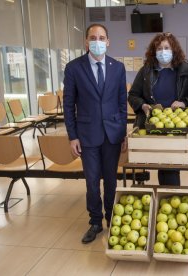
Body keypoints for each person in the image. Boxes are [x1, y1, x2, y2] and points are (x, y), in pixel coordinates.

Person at [63, 23, 127, 244]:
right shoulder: (73, 68)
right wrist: (72, 136)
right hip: (87, 135)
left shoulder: (118, 68)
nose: (97, 41)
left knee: (110, 181)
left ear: (108, 41)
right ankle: (95, 222)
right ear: (86, 42)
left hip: (112, 134)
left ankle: (111, 217)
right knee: (92, 182)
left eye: (101, 38)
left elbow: (121, 103)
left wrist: (123, 132)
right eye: (93, 37)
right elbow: (68, 105)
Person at [128, 32, 188, 186]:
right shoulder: (146, 71)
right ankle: (159, 198)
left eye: (167, 47)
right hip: (151, 126)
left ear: (174, 50)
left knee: (169, 167)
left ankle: (168, 196)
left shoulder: (186, 72)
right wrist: (143, 105)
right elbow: (133, 95)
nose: (163, 51)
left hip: (178, 128)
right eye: (159, 48)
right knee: (160, 165)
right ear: (154, 52)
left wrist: (184, 102)